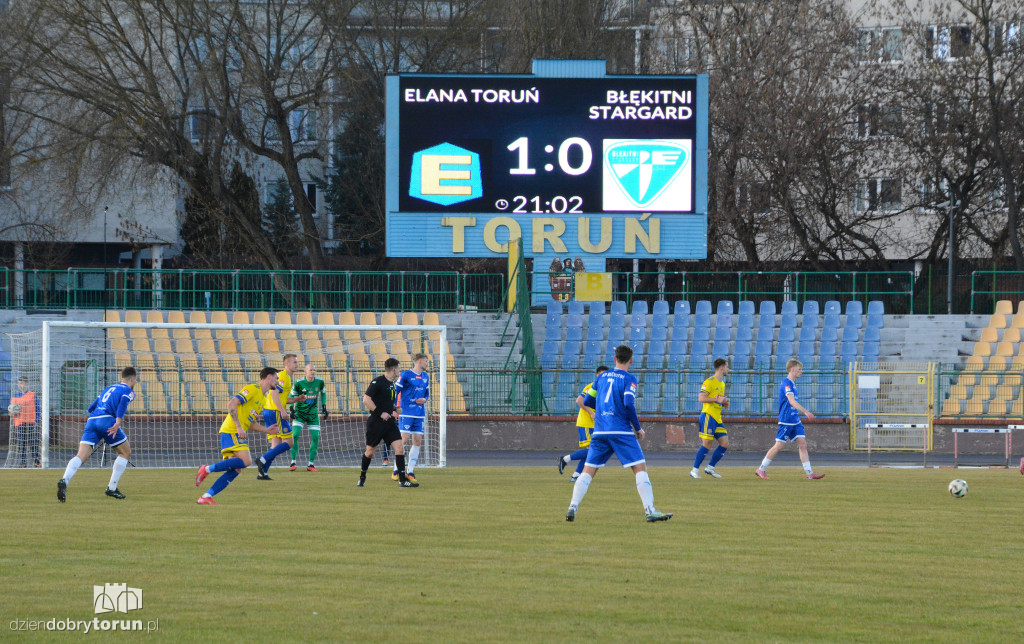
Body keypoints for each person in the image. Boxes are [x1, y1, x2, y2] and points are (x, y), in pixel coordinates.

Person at [565, 345, 671, 523]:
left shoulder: (601, 378)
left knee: (588, 471)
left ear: (614, 359)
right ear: (631, 360)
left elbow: (588, 400)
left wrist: (602, 411)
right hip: (621, 430)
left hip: (600, 431)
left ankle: (572, 507)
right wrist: (637, 428)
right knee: (640, 468)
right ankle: (650, 510)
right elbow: (629, 403)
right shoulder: (629, 379)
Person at [195, 367, 281, 505]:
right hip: (231, 430)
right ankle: (206, 469)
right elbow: (232, 404)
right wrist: (238, 426)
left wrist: (267, 430)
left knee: (236, 469)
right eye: (276, 378)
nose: (277, 381)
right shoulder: (253, 389)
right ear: (269, 377)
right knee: (246, 461)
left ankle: (206, 496)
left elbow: (251, 423)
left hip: (235, 431)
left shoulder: (262, 399)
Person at [57, 367, 138, 502]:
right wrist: (118, 421)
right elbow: (124, 402)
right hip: (108, 421)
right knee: (125, 452)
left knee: (81, 456)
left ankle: (65, 479)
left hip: (92, 420)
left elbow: (91, 407)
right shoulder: (128, 391)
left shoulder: (108, 388)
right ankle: (111, 488)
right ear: (132, 379)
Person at [755, 359, 825, 480]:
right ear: (792, 369)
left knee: (802, 444)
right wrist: (805, 411)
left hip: (795, 419)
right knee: (779, 446)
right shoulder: (787, 384)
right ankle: (761, 469)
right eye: (799, 369)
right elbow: (791, 401)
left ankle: (810, 473)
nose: (801, 372)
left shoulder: (792, 384)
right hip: (786, 419)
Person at [358, 358, 418, 488]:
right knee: (369, 452)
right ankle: (362, 476)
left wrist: (394, 408)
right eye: (399, 368)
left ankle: (402, 480)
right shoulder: (377, 382)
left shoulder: (392, 384)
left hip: (389, 423)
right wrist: (380, 413)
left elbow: (385, 402)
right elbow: (366, 400)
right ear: (394, 369)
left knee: (399, 448)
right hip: (376, 423)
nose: (400, 371)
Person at [255, 354, 305, 480]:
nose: (297, 364)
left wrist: (296, 399)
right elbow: (274, 393)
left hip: (270, 411)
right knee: (289, 442)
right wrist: (283, 411)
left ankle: (263, 472)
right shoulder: (283, 376)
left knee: (276, 445)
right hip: (275, 412)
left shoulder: (285, 377)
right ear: (287, 364)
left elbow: (282, 398)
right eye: (294, 362)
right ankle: (263, 459)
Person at [558, 365, 608, 483]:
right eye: (601, 375)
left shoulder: (605, 389)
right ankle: (565, 459)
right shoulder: (591, 387)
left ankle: (575, 476)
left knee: (590, 453)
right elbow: (579, 401)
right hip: (587, 423)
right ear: (597, 376)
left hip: (595, 425)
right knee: (593, 451)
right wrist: (591, 413)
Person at [691, 358, 730, 479]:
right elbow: (701, 398)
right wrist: (717, 400)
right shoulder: (709, 381)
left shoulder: (722, 384)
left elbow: (717, 400)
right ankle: (694, 470)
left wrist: (723, 403)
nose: (728, 369)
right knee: (707, 444)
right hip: (708, 416)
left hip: (717, 418)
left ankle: (710, 467)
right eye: (727, 367)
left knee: (725, 443)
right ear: (722, 368)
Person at [394, 353, 430, 482]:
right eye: (426, 361)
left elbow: (427, 394)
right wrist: (394, 407)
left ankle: (410, 471)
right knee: (403, 440)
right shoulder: (405, 375)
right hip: (406, 412)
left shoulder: (426, 376)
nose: (427, 364)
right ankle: (396, 469)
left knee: (418, 441)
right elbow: (396, 390)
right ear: (419, 361)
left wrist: (424, 400)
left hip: (419, 414)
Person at [288, 363, 327, 472]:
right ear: (305, 372)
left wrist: (324, 406)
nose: (313, 372)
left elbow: (323, 393)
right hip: (299, 413)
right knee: (294, 436)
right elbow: (292, 395)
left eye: (314, 370)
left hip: (313, 414)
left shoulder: (319, 381)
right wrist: (291, 409)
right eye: (310, 370)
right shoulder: (299, 383)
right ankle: (293, 462)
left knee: (315, 437)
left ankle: (311, 464)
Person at [8, 376, 39, 467]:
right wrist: (12, 412)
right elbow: (10, 412)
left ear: (27, 384)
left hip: (30, 422)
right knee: (21, 443)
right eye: (19, 383)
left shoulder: (33, 395)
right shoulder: (15, 397)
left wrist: (36, 420)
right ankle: (23, 462)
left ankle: (37, 461)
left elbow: (38, 408)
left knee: (33, 442)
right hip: (19, 423)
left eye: (22, 383)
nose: (20, 385)